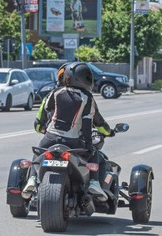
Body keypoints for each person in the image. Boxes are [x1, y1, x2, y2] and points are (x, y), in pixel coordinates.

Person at [22, 62, 114, 201]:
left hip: (51, 138)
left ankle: (32, 179)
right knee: (95, 154)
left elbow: (40, 120)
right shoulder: (87, 98)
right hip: (72, 142)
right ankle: (94, 183)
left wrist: (42, 129)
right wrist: (105, 135)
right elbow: (93, 123)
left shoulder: (54, 93)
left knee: (38, 152)